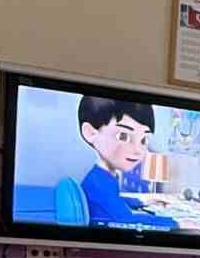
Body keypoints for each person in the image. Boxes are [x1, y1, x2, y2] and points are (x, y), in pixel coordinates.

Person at [76, 96, 178, 230]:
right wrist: (176, 224)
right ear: (90, 133)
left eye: (143, 140)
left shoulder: (102, 176)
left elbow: (114, 201)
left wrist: (141, 201)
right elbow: (126, 220)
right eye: (123, 136)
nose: (138, 150)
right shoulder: (98, 182)